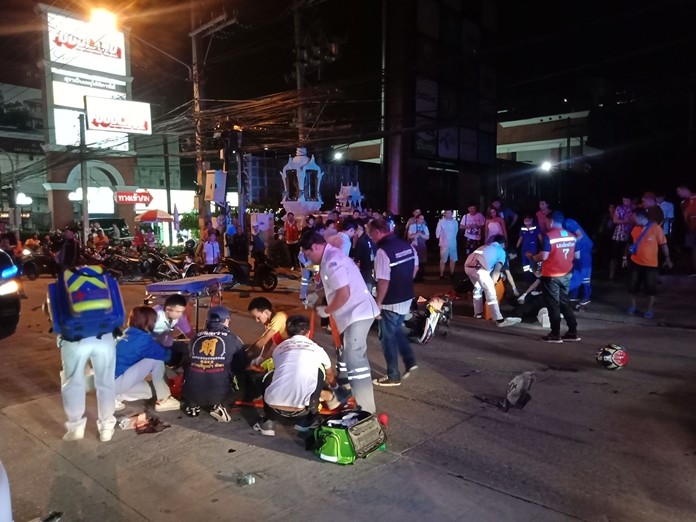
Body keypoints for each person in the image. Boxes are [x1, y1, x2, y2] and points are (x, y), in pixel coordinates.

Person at [300, 230, 380, 413]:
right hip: (354, 313)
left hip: (357, 313)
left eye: (308, 254)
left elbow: (344, 293)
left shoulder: (332, 261)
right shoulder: (330, 258)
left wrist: (326, 311)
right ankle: (348, 395)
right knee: (350, 357)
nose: (308, 259)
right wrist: (316, 295)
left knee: (355, 360)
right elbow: (333, 287)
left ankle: (366, 411)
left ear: (315, 247)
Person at [252, 315, 338, 437]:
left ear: (287, 331)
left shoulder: (279, 348)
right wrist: (335, 389)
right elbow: (329, 375)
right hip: (301, 411)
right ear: (308, 332)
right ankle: (308, 420)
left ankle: (268, 423)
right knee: (320, 371)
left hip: (273, 408)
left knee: (271, 374)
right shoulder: (317, 349)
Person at [369, 218, 419, 387]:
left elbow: (383, 280)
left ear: (377, 232)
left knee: (386, 337)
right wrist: (404, 282)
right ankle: (410, 361)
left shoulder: (383, 251)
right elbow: (415, 268)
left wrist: (378, 303)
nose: (371, 237)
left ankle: (393, 375)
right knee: (396, 331)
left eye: (371, 234)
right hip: (406, 297)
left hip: (391, 301)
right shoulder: (407, 246)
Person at [57, 321, 118, 442]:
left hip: (73, 336)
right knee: (106, 382)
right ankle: (106, 426)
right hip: (104, 334)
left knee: (74, 381)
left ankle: (75, 426)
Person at [182, 306, 244, 421]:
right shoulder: (234, 339)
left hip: (191, 392)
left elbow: (186, 361)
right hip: (219, 393)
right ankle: (222, 406)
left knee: (191, 367)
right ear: (226, 321)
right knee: (243, 380)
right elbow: (241, 364)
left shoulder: (195, 338)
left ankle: (192, 405)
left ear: (207, 321)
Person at [527, 211, 580, 343]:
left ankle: (555, 334)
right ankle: (573, 332)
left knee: (553, 305)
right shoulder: (572, 236)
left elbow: (543, 256)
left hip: (551, 275)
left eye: (546, 221)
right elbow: (577, 256)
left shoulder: (549, 236)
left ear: (550, 221)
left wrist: (533, 257)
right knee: (564, 303)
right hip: (566, 274)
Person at [114, 306, 180, 411]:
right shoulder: (143, 340)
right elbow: (165, 356)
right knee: (155, 359)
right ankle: (164, 400)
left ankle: (115, 397)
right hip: (118, 381)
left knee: (149, 392)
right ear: (147, 322)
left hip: (109, 382)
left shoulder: (126, 333)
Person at [624, 208, 672, 318]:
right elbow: (629, 244)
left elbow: (663, 244)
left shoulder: (655, 228)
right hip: (635, 262)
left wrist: (667, 258)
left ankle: (649, 309)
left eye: (634, 217)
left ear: (641, 217)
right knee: (632, 287)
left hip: (651, 265)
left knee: (650, 289)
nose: (632, 219)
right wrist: (624, 257)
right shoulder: (634, 228)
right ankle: (633, 306)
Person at [464, 235, 521, 327]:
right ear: (503, 244)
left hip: (467, 267)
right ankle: (499, 320)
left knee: (477, 289)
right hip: (480, 269)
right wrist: (492, 284)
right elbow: (496, 271)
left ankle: (478, 313)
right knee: (491, 294)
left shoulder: (485, 246)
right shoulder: (501, 251)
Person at [152, 294, 194, 366]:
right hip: (151, 350)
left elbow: (191, 335)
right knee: (190, 351)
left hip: (163, 347)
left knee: (187, 348)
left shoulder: (179, 317)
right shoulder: (153, 314)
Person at [246, 296, 289, 362]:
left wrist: (244, 355)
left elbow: (263, 340)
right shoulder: (269, 324)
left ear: (266, 312)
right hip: (285, 353)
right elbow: (268, 342)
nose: (257, 320)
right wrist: (261, 358)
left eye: (258, 317)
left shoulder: (279, 317)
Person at [564, 217, 594, 306]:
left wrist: (573, 246)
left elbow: (579, 235)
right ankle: (574, 295)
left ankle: (586, 297)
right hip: (578, 250)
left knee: (585, 274)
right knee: (576, 272)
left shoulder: (568, 223)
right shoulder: (566, 224)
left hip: (584, 250)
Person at [609, 196, 634, 281]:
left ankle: (627, 274)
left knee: (627, 255)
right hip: (618, 235)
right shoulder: (619, 208)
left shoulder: (633, 208)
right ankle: (611, 276)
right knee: (614, 256)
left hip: (629, 234)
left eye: (627, 200)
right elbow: (615, 220)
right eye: (623, 200)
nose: (625, 202)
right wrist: (626, 221)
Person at [676, 184, 696, 274]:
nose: (678, 193)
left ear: (684, 189)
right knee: (694, 249)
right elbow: (685, 218)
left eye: (679, 191)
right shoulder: (683, 203)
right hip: (691, 229)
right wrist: (687, 228)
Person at [354, 218, 376, 292]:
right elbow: (357, 259)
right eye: (371, 223)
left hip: (376, 270)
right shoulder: (362, 240)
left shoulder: (375, 238)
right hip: (366, 272)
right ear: (366, 226)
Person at [516, 215, 539, 286]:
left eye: (528, 220)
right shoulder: (523, 229)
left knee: (532, 264)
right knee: (525, 265)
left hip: (533, 249)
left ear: (531, 220)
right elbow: (520, 238)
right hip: (524, 250)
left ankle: (534, 280)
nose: (526, 222)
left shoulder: (535, 228)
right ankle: (527, 279)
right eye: (525, 221)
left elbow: (540, 237)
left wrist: (542, 246)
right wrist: (516, 247)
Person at [435, 210, 458, 278]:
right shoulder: (441, 222)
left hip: (453, 243)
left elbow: (456, 231)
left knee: (453, 259)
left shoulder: (455, 222)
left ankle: (452, 273)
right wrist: (439, 237)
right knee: (443, 259)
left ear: (452, 214)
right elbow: (438, 231)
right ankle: (441, 273)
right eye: (446, 213)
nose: (447, 214)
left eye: (449, 213)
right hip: (444, 243)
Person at [408, 213, 430, 282]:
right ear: (417, 219)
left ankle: (421, 277)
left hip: (422, 246)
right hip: (414, 246)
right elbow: (409, 236)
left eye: (423, 219)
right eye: (420, 219)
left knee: (422, 262)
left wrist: (421, 235)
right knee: (415, 262)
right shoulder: (412, 226)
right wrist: (416, 234)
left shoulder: (425, 227)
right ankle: (414, 277)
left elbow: (427, 237)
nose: (422, 220)